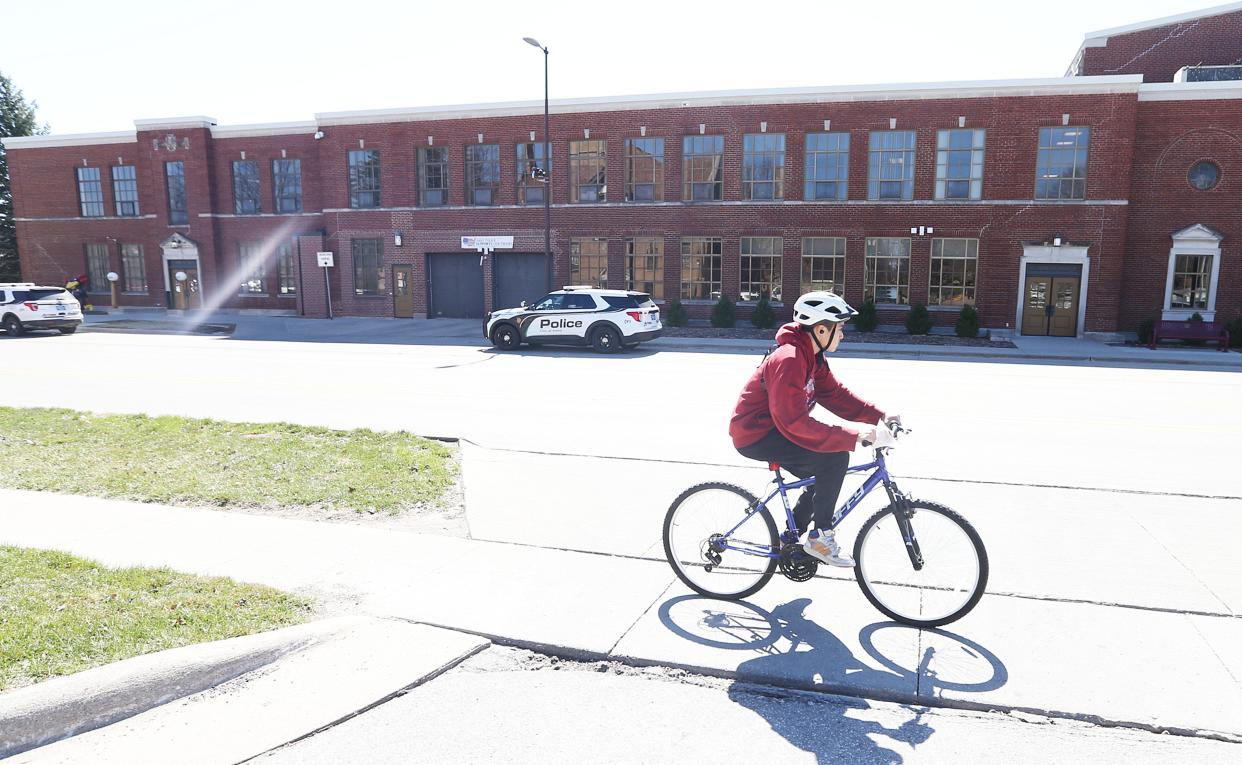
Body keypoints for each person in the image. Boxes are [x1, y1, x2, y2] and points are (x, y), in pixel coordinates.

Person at [729, 291, 898, 567]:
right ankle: (820, 538)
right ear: (821, 329)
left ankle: (790, 536)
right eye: (840, 328)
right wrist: (854, 435)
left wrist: (880, 416)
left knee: (825, 466)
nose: (843, 335)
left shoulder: (812, 355)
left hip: (779, 427)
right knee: (834, 456)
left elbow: (835, 395)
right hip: (756, 434)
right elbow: (794, 422)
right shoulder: (790, 359)